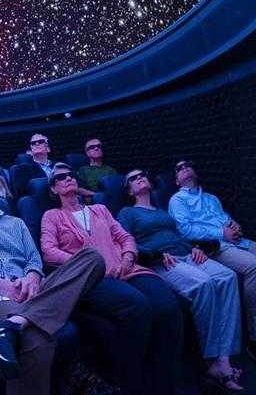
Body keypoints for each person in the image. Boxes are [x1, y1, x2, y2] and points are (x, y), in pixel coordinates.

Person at [0, 163, 105, 395]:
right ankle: (18, 325)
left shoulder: (16, 223)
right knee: (37, 338)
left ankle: (11, 326)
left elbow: (33, 260)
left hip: (30, 292)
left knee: (92, 258)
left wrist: (31, 277)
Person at [41, 163, 182, 395]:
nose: (69, 178)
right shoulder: (52, 216)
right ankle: (129, 384)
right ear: (54, 189)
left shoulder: (100, 210)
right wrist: (88, 266)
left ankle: (164, 384)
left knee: (168, 307)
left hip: (126, 268)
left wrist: (128, 257)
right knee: (138, 306)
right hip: (89, 278)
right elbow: (48, 250)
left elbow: (125, 237)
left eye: (72, 175)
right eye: (62, 177)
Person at [118, 169, 244, 392]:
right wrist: (153, 254)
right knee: (203, 284)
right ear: (129, 190)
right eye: (133, 178)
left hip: (186, 254)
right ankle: (210, 359)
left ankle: (224, 357)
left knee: (227, 277)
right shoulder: (127, 212)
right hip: (164, 260)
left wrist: (194, 248)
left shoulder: (163, 212)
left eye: (142, 175)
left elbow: (179, 237)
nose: (139, 178)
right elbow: (125, 241)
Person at [169, 159, 256, 360]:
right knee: (254, 266)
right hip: (215, 247)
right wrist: (221, 233)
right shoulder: (177, 200)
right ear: (176, 181)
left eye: (188, 165)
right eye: (179, 168)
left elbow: (227, 218)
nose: (185, 168)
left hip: (237, 241)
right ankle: (254, 339)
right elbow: (184, 230)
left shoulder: (211, 198)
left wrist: (235, 228)